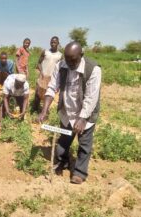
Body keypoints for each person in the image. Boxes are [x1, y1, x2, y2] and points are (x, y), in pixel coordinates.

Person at [38, 42, 101, 184]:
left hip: (86, 113)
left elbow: (91, 97)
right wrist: (44, 109)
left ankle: (79, 172)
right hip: (67, 111)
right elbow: (52, 87)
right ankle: (63, 162)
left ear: (81, 55)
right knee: (63, 142)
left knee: (84, 144)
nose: (70, 63)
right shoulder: (61, 65)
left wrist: (83, 118)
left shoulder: (93, 69)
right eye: (67, 59)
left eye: (73, 60)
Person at [33, 36, 62, 113]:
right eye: (51, 42)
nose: (53, 44)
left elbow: (60, 68)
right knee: (38, 93)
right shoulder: (45, 52)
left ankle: (44, 111)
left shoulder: (60, 55)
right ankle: (34, 109)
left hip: (51, 78)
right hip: (43, 76)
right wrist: (41, 71)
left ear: (58, 43)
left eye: (55, 42)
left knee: (48, 94)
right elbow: (39, 63)